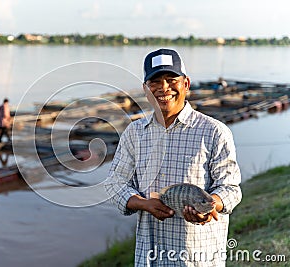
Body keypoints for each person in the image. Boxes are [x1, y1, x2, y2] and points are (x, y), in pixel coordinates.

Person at [104, 48, 242, 266]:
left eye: (171, 79)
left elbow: (231, 189)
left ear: (186, 84)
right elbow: (115, 183)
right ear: (145, 89)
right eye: (155, 82)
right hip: (150, 257)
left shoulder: (215, 131)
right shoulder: (134, 133)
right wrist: (143, 204)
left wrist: (210, 206)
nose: (164, 88)